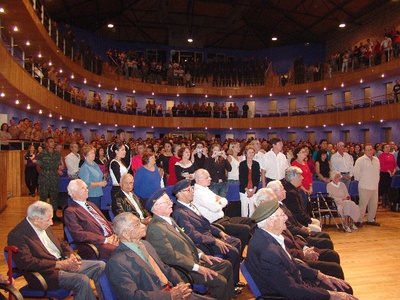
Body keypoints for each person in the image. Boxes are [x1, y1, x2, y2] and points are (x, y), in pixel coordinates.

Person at [245, 200, 356, 300]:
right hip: (289, 294)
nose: (286, 218)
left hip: (296, 284)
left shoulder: (268, 237)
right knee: (344, 291)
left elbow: (292, 262)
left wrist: (319, 275)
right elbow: (292, 291)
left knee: (343, 287)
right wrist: (331, 295)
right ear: (271, 221)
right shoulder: (268, 252)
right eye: (282, 215)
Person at [145, 189, 237, 300]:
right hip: (183, 270)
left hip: (193, 260)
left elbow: (186, 240)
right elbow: (169, 256)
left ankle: (229, 297)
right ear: (156, 207)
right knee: (220, 281)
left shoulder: (168, 219)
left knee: (226, 265)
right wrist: (197, 268)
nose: (171, 203)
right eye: (166, 202)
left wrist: (201, 255)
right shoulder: (155, 228)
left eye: (169, 200)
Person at [7, 201, 105, 300]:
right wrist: (59, 264)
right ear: (36, 219)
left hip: (62, 263)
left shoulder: (43, 224)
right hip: (45, 274)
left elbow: (62, 243)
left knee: (100, 265)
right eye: (48, 220)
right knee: (81, 280)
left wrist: (71, 256)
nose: (51, 223)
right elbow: (27, 263)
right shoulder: (17, 235)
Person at [105, 212, 206, 300]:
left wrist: (181, 285)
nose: (143, 226)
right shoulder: (117, 262)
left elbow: (165, 268)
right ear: (126, 234)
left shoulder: (146, 244)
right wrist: (170, 296)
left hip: (173, 291)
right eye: (137, 224)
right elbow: (131, 297)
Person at [253, 188, 344, 279]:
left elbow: (293, 237)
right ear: (263, 204)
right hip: (296, 263)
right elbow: (286, 255)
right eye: (273, 200)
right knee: (334, 268)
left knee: (331, 255)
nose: (285, 218)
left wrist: (305, 247)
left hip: (299, 250)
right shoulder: (267, 231)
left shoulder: (274, 222)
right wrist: (304, 254)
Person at [172, 179, 244, 288]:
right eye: (189, 190)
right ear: (179, 194)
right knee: (232, 251)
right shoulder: (179, 213)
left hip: (208, 237)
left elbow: (206, 223)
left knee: (237, 241)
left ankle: (233, 279)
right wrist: (215, 241)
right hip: (201, 244)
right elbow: (192, 235)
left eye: (192, 188)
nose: (192, 191)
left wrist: (219, 232)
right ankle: (230, 284)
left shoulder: (190, 206)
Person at [193, 168, 253, 256]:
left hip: (223, 218)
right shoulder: (198, 193)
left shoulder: (205, 189)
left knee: (249, 220)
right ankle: (239, 255)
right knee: (245, 229)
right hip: (215, 224)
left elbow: (224, 200)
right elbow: (215, 207)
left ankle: (250, 250)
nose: (210, 178)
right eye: (207, 177)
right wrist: (219, 201)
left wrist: (219, 201)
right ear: (199, 180)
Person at [267, 180, 334, 250]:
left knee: (324, 235)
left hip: (298, 230)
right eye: (282, 189)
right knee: (326, 243)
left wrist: (302, 227)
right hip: (296, 236)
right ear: (274, 193)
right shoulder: (277, 209)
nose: (285, 191)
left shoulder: (282, 204)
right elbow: (289, 228)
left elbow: (294, 220)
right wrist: (303, 230)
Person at [64, 179, 119, 260]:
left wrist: (116, 233)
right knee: (122, 252)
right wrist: (105, 240)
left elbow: (105, 223)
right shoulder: (71, 211)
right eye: (83, 188)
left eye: (86, 187)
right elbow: (79, 235)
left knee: (134, 244)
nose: (87, 190)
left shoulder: (91, 205)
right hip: (96, 243)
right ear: (73, 192)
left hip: (110, 237)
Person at [282, 166, 322, 232]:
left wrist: (309, 219)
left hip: (298, 219)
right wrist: (309, 221)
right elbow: (297, 213)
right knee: (317, 228)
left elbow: (301, 210)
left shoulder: (293, 189)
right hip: (296, 222)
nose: (302, 178)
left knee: (316, 222)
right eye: (300, 176)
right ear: (295, 178)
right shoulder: (291, 193)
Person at [353, 143, 381, 227]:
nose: (369, 151)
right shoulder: (360, 160)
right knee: (363, 204)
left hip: (374, 185)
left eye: (371, 149)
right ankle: (358, 220)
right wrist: (360, 180)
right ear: (364, 151)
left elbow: (378, 172)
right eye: (367, 150)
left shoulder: (376, 160)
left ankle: (371, 219)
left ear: (373, 150)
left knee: (373, 204)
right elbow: (356, 172)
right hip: (364, 185)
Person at [36, 137, 62, 222]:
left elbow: (57, 165)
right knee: (43, 196)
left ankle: (54, 215)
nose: (53, 143)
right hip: (44, 177)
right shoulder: (42, 154)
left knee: (54, 196)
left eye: (53, 141)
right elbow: (38, 167)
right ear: (46, 144)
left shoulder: (57, 154)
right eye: (50, 142)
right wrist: (44, 174)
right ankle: (42, 215)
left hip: (54, 177)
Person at [238, 145, 261, 217]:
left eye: (252, 152)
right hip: (244, 189)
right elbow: (241, 178)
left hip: (253, 189)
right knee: (244, 210)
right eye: (249, 152)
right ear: (245, 153)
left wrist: (254, 189)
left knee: (253, 210)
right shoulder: (242, 164)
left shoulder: (256, 164)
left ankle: (252, 226)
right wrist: (247, 190)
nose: (251, 154)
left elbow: (257, 177)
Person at [378, 143, 397, 207]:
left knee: (390, 187)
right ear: (383, 149)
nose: (388, 148)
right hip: (384, 173)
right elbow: (382, 165)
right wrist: (388, 171)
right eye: (386, 147)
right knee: (384, 187)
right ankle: (384, 202)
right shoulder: (381, 156)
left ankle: (389, 201)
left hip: (391, 174)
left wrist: (394, 171)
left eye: (388, 147)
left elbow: (394, 164)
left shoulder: (391, 155)